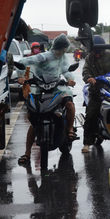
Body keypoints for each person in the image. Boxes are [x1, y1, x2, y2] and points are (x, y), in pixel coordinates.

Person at [17, 34, 77, 165]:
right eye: (62, 49)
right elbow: (23, 63)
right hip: (40, 89)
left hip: (58, 88)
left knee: (69, 104)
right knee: (34, 118)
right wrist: (21, 76)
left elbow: (66, 71)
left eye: (64, 50)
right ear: (56, 48)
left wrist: (70, 79)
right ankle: (27, 153)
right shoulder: (43, 56)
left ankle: (70, 129)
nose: (63, 52)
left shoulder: (62, 59)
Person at [81, 36, 110, 153]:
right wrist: (88, 78)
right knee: (90, 116)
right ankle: (87, 143)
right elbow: (85, 70)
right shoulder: (89, 58)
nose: (93, 52)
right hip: (95, 91)